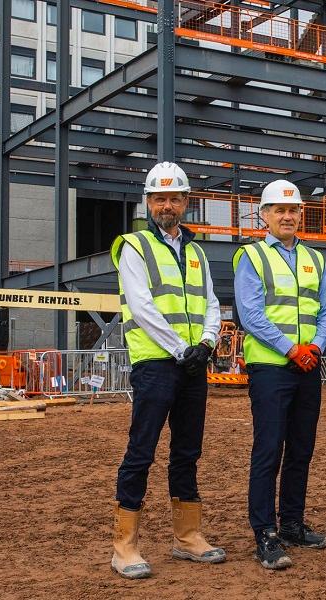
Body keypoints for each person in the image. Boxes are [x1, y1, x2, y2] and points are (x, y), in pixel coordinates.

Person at [109, 161, 226, 579]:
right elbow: (142, 307)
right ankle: (125, 545)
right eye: (159, 198)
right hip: (156, 363)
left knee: (187, 451)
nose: (167, 205)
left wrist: (208, 343)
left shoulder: (196, 252)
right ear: (148, 202)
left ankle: (188, 537)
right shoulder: (134, 247)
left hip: (192, 363)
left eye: (174, 198)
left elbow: (211, 302)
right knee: (141, 451)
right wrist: (182, 348)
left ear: (186, 203)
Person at [232, 179, 326, 570]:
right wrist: (290, 348)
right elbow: (251, 313)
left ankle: (292, 523)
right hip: (272, 368)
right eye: (279, 210)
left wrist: (316, 346)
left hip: (307, 366)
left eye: (293, 210)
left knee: (301, 450)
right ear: (265, 216)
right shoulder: (252, 257)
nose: (287, 216)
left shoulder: (315, 259)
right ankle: (265, 532)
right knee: (268, 450)